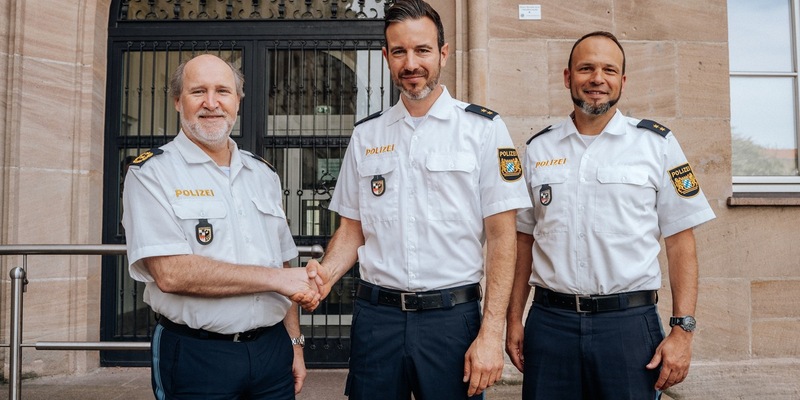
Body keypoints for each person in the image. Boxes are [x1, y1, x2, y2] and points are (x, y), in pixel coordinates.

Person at [303, 0, 531, 398]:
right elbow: (353, 230)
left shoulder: (483, 129)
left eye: (422, 50)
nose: (411, 63)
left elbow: (501, 237)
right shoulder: (367, 135)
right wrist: (323, 278)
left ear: (443, 53)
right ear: (386, 56)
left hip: (451, 321)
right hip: (377, 320)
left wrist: (491, 332)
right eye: (400, 52)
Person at [505, 31, 716, 399]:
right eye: (586, 68)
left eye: (608, 70)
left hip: (629, 328)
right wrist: (512, 319)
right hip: (551, 325)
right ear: (568, 76)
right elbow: (523, 240)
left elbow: (681, 242)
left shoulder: (657, 144)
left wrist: (683, 331)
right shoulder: (538, 148)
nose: (597, 79)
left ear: (622, 80)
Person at [122, 54, 321, 400]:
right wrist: (278, 279)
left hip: (272, 351)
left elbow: (284, 265)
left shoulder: (264, 174)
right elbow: (171, 273)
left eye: (223, 92)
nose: (211, 103)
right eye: (198, 91)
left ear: (238, 101)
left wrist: (295, 343)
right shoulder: (150, 173)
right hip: (198, 355)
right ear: (177, 101)